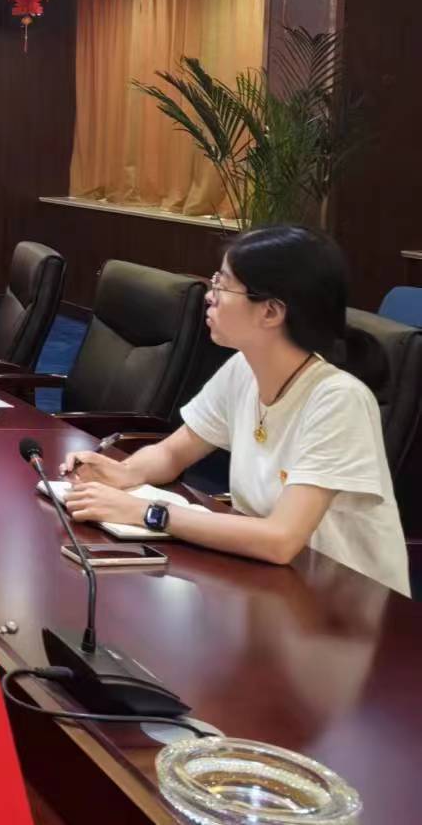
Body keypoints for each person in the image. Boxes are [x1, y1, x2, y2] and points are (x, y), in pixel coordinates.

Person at [61, 226, 409, 597]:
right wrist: (124, 472)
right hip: (271, 584)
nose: (209, 296)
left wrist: (145, 511)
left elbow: (280, 539)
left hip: (343, 605)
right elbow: (173, 453)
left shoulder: (339, 400)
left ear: (271, 311)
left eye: (223, 285)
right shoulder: (244, 368)